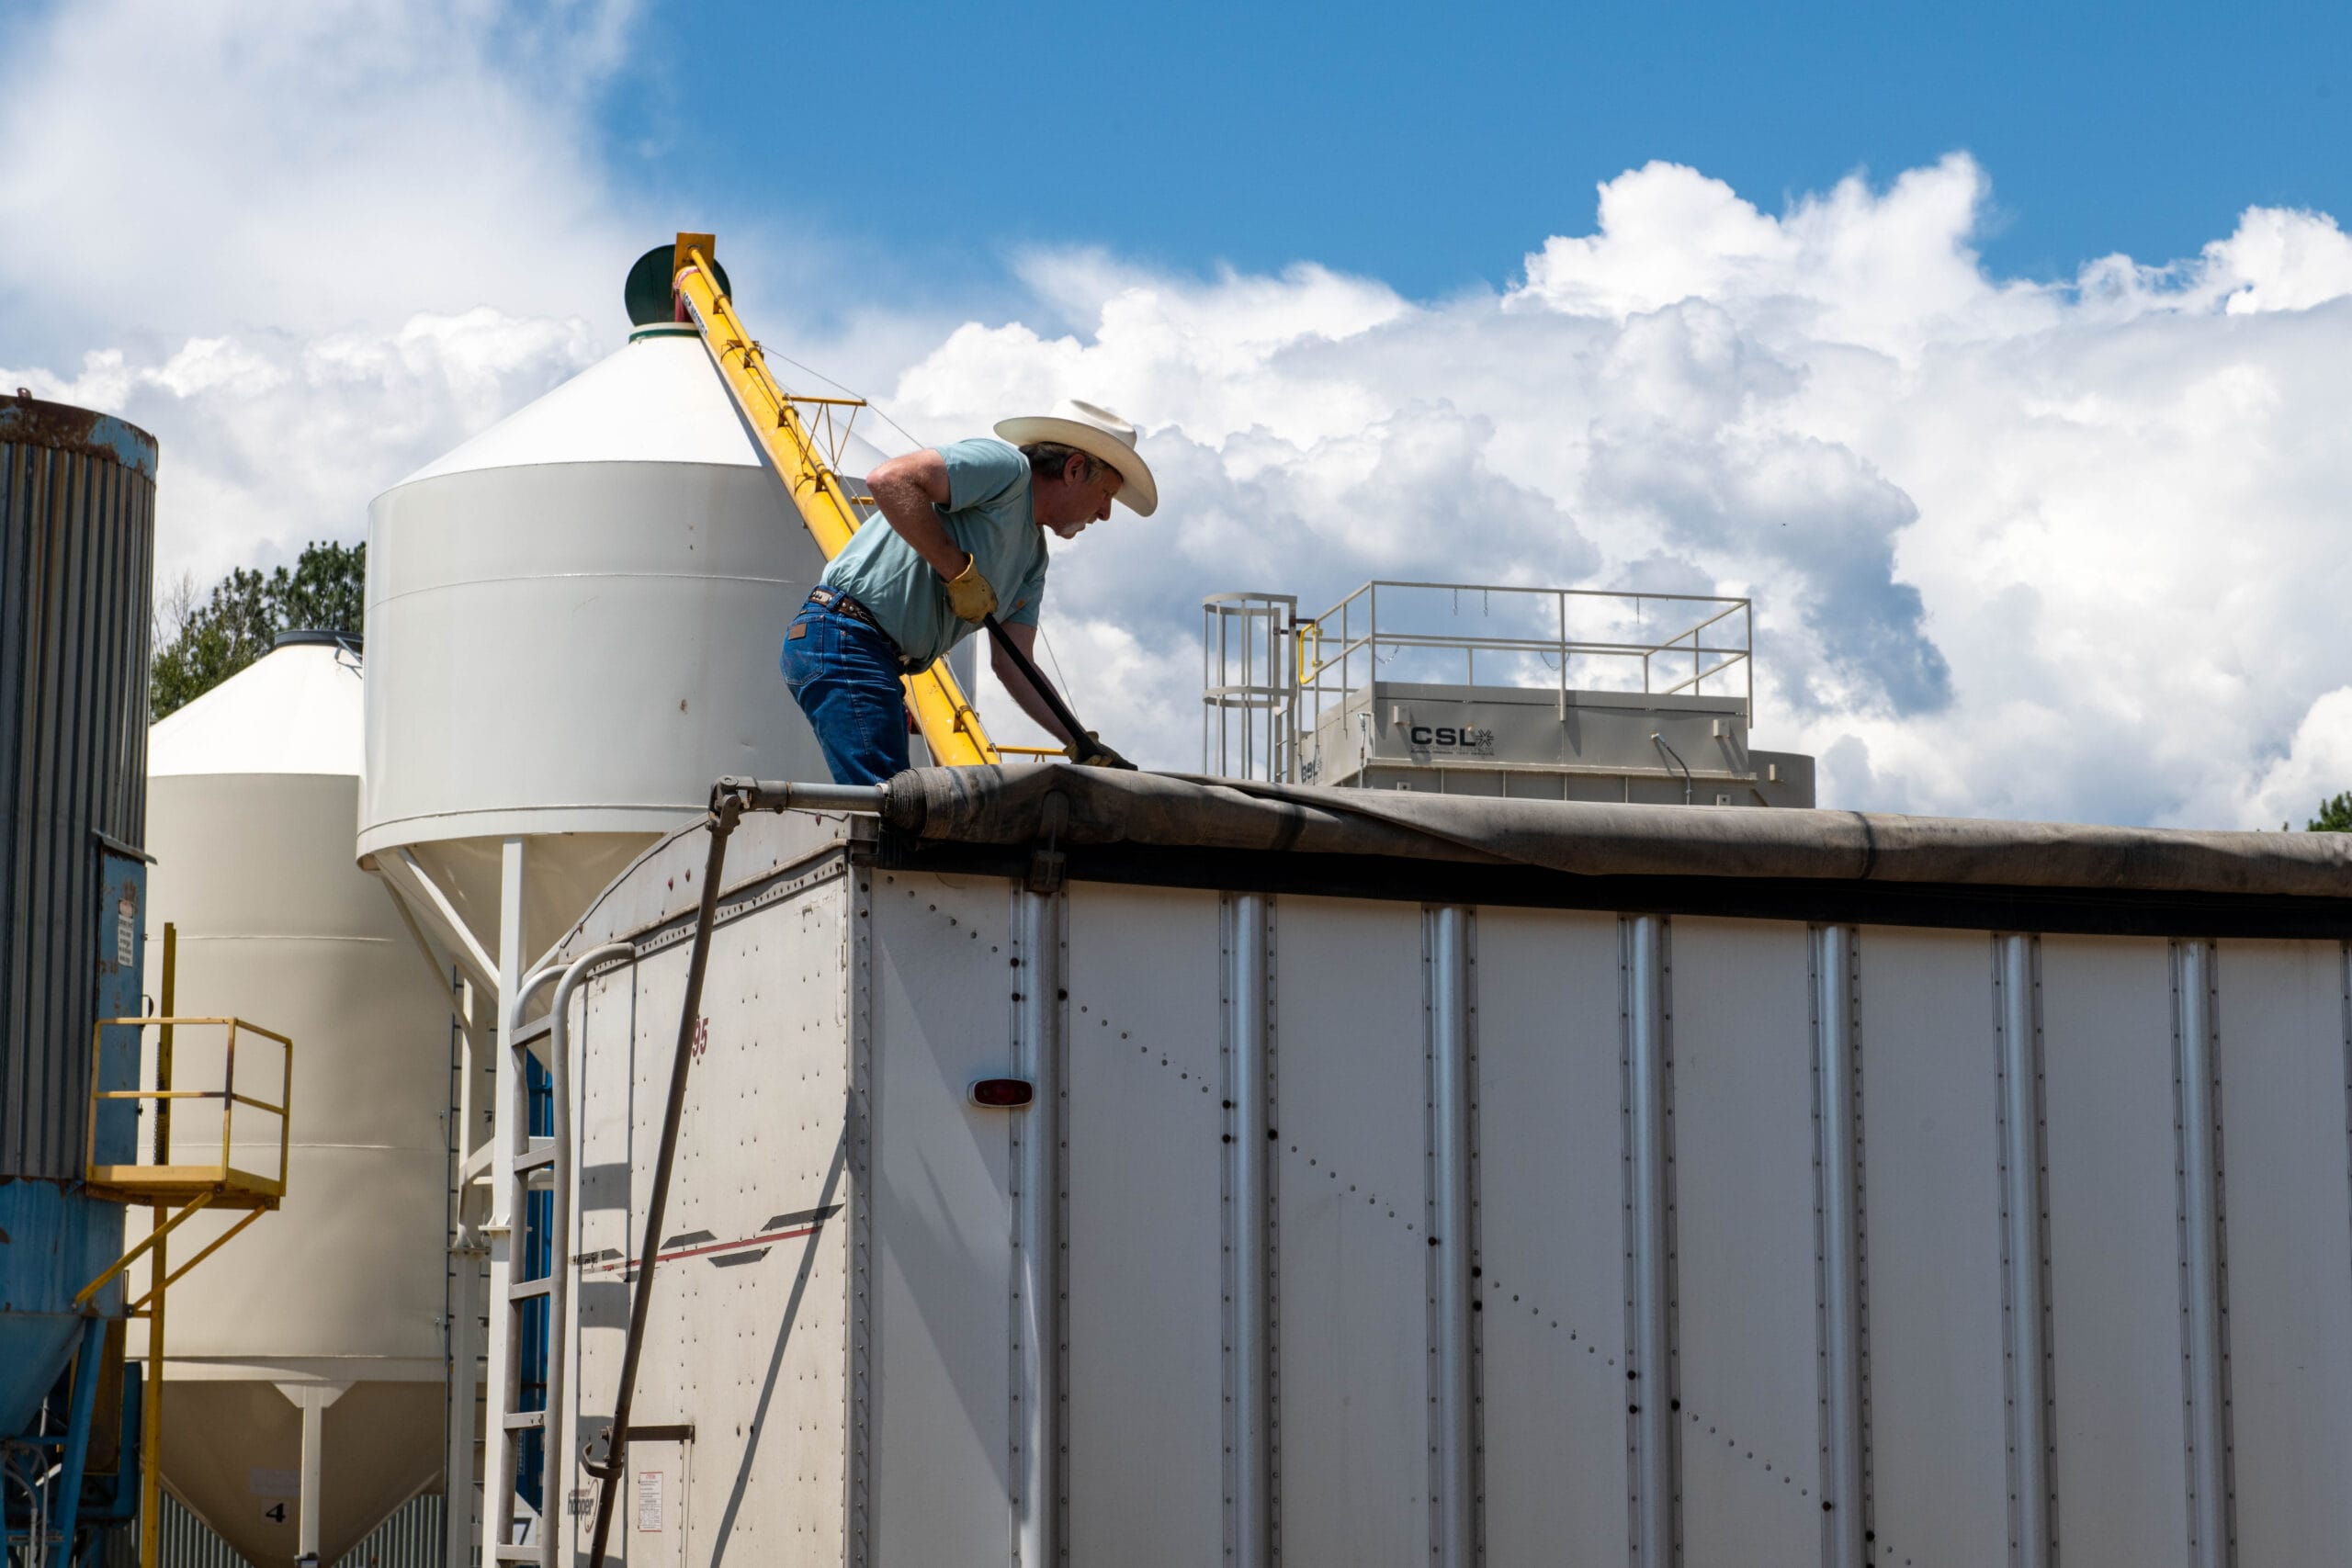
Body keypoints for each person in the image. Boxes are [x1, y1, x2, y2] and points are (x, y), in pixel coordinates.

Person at [781, 399, 1158, 784]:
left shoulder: (1033, 560)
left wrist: (1078, 742)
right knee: (892, 808)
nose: (1106, 513)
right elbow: (890, 480)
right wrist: (958, 572)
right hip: (845, 635)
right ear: (1075, 469)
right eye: (1106, 494)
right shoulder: (1007, 471)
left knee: (896, 803)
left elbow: (1014, 662)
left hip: (867, 651)